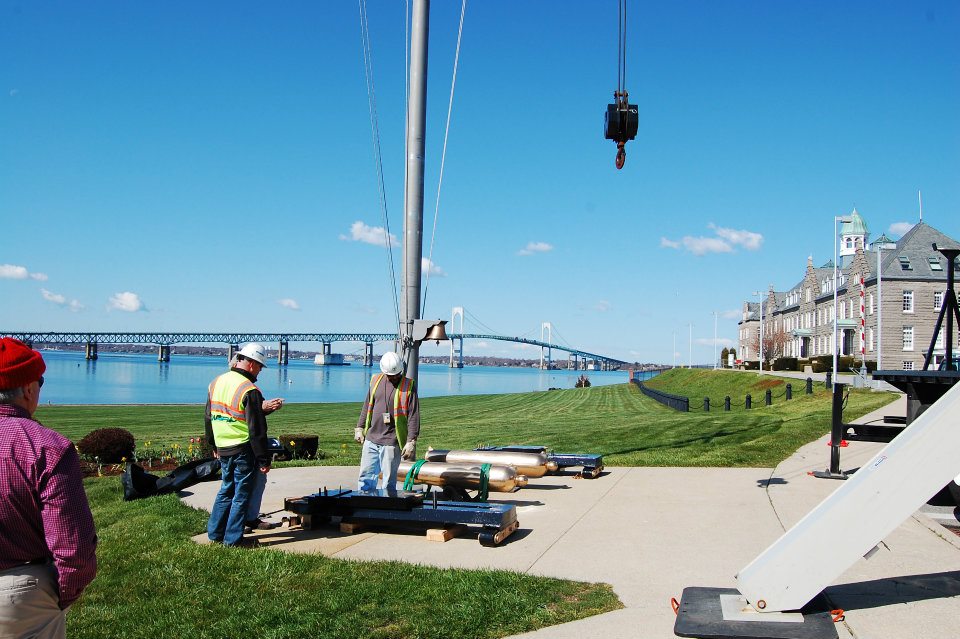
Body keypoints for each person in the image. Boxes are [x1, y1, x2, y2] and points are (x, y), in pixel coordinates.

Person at [0, 338, 97, 638]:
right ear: (28, 388)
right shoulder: (48, 448)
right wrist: (60, 595)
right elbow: (74, 549)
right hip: (21, 597)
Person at [204, 343, 272, 548]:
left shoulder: (216, 382)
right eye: (260, 366)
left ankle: (215, 533)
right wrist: (263, 459)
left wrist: (213, 445)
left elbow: (208, 417)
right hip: (243, 448)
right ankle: (233, 540)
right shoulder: (249, 389)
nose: (260, 370)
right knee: (241, 494)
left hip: (223, 446)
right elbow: (256, 429)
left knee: (226, 489)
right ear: (251, 363)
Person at [355, 351, 420, 492]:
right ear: (384, 372)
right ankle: (364, 505)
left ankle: (387, 508)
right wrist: (359, 428)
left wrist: (411, 441)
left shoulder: (408, 386)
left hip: (391, 442)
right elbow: (367, 405)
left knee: (389, 481)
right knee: (365, 477)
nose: (395, 377)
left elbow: (413, 415)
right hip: (371, 439)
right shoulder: (375, 380)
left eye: (397, 374)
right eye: (391, 375)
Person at [244, 395, 284, 533]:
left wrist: (266, 408)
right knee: (239, 485)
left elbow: (253, 412)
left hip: (253, 444)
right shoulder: (244, 388)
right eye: (259, 370)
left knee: (259, 480)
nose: (260, 371)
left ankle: (251, 517)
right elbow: (241, 413)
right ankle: (235, 523)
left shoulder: (251, 388)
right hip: (240, 445)